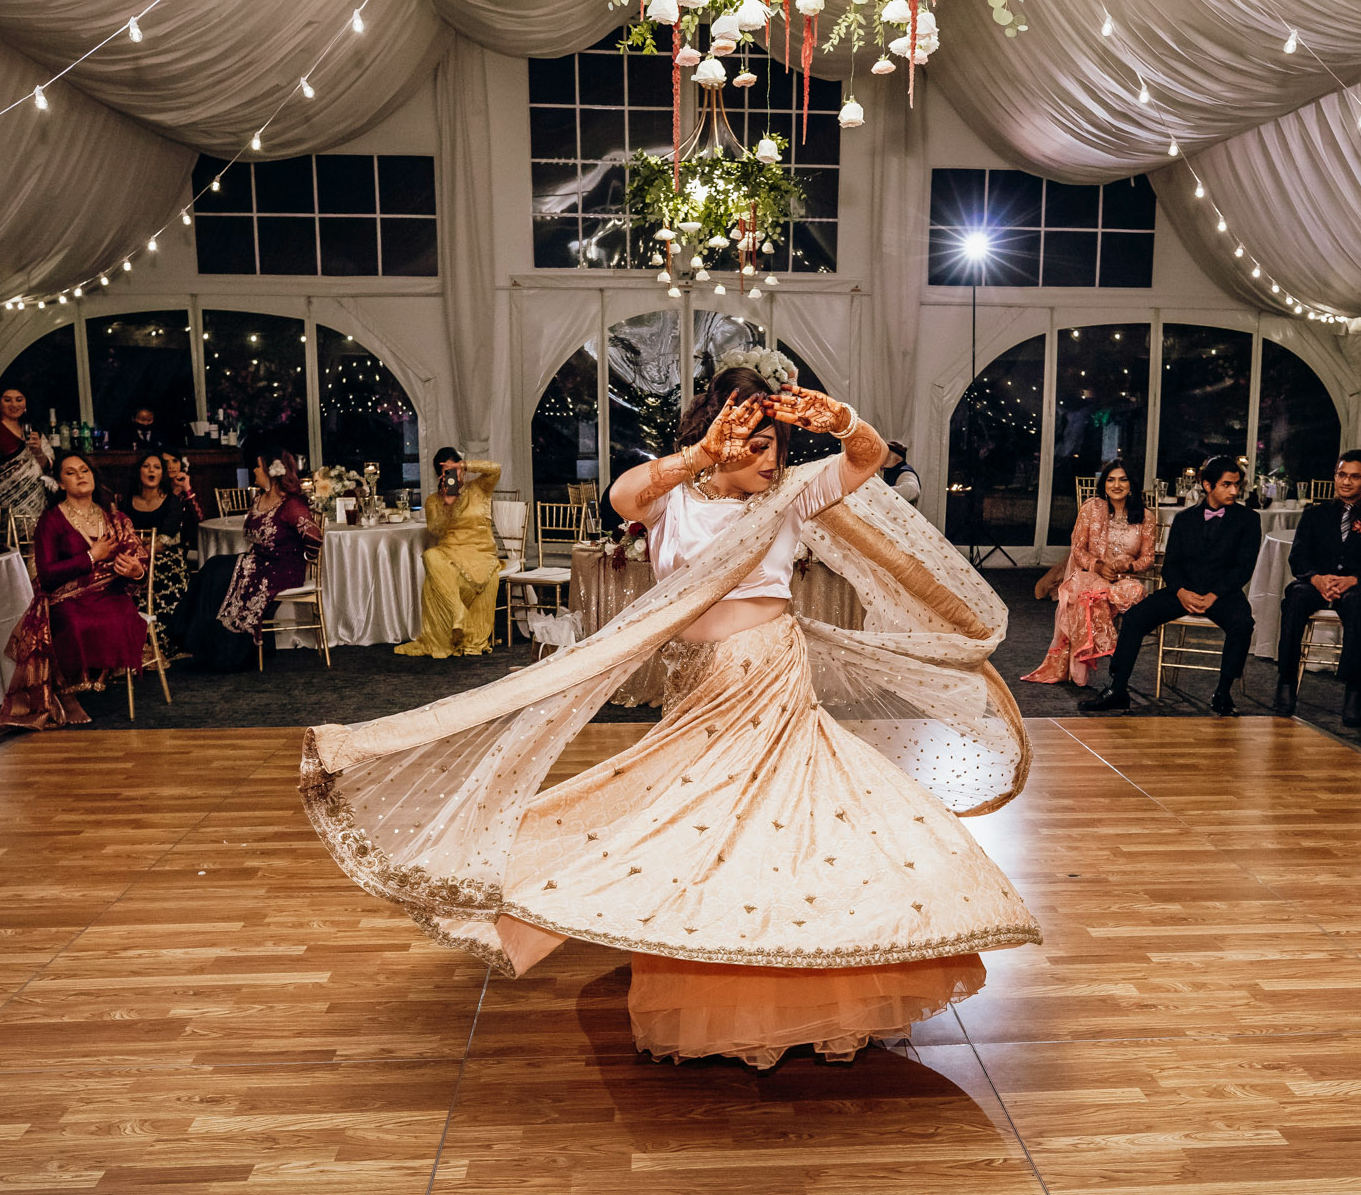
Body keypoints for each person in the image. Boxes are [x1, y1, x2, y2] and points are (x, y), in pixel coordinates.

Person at [298, 366, 1040, 1069]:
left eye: (771, 446)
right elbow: (621, 499)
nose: (760, 458)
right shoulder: (674, 496)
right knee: (693, 823)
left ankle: (811, 989)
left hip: (770, 675)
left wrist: (840, 420)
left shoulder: (790, 496)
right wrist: (701, 454)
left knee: (775, 822)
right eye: (747, 444)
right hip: (696, 686)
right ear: (714, 436)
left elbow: (867, 459)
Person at [1081, 455, 1259, 716]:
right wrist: (1181, 592)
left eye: (1236, 485)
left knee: (1243, 624)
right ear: (1208, 485)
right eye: (1226, 484)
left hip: (1222, 593)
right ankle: (1118, 688)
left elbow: (1243, 568)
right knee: (1134, 619)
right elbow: (1170, 566)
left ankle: (1224, 692)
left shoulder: (1248, 519)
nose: (1233, 491)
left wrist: (1214, 594)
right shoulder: (1185, 518)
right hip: (1182, 591)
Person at [0, 453, 148, 732]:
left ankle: (97, 677)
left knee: (124, 617)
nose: (80, 476)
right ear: (60, 483)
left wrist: (135, 570)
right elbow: (48, 575)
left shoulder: (115, 518)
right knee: (76, 624)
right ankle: (67, 692)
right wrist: (91, 556)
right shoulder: (51, 521)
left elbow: (139, 563)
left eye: (84, 470)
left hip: (109, 593)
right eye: (71, 472)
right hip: (66, 598)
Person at [1273, 449, 1361, 726]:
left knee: (1355, 603)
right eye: (1342, 475)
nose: (1346, 482)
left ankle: (1353, 685)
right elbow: (1298, 557)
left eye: (1355, 477)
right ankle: (1285, 679)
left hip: (1359, 586)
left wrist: (1354, 579)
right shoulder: (1314, 514)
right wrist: (1316, 578)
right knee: (1294, 598)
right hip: (1316, 583)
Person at [173, 446, 322, 671]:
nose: (253, 471)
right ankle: (196, 641)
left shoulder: (291, 505)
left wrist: (302, 559)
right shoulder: (260, 498)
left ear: (271, 471)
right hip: (258, 561)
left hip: (282, 569)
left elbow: (314, 539)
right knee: (214, 566)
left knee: (219, 571)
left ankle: (226, 651)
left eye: (257, 467)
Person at [1023, 458, 1156, 686]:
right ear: (1103, 484)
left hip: (1123, 580)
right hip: (1091, 574)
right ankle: (1086, 660)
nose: (1116, 485)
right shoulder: (1091, 509)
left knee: (1134, 592)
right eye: (1111, 480)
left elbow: (1148, 558)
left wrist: (1130, 566)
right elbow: (1077, 550)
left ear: (1131, 484)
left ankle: (1106, 651)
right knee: (1088, 597)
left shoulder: (1146, 517)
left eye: (1123, 480)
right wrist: (1098, 566)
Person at [395, 447, 504, 659]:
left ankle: (465, 628)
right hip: (450, 556)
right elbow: (435, 530)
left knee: (433, 578)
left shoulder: (480, 488)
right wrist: (447, 505)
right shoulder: (433, 500)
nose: (453, 475)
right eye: (447, 471)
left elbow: (495, 469)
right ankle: (459, 614)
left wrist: (464, 465)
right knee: (430, 555)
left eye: (455, 469)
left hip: (481, 554)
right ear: (439, 475)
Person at [123, 451, 194, 632]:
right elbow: (123, 533)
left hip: (165, 557)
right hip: (134, 557)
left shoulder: (171, 501)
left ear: (162, 473)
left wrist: (143, 551)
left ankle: (164, 635)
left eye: (156, 467)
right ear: (139, 472)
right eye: (146, 466)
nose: (151, 471)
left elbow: (165, 539)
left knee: (162, 575)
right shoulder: (127, 502)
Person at [0, 387, 52, 524]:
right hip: (4, 501)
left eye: (19, 400)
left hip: (37, 503)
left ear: (26, 403)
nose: (14, 405)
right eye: (7, 400)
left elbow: (48, 467)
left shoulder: (30, 426)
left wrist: (38, 452)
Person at [160, 449, 205, 521]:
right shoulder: (157, 487)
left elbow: (200, 518)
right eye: (165, 462)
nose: (171, 466)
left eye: (175, 461)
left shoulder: (190, 483)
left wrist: (187, 488)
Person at [880, 439, 920, 504]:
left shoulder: (906, 472)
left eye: (888, 456)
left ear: (897, 460)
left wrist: (883, 492)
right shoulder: (887, 470)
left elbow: (912, 489)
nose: (883, 458)